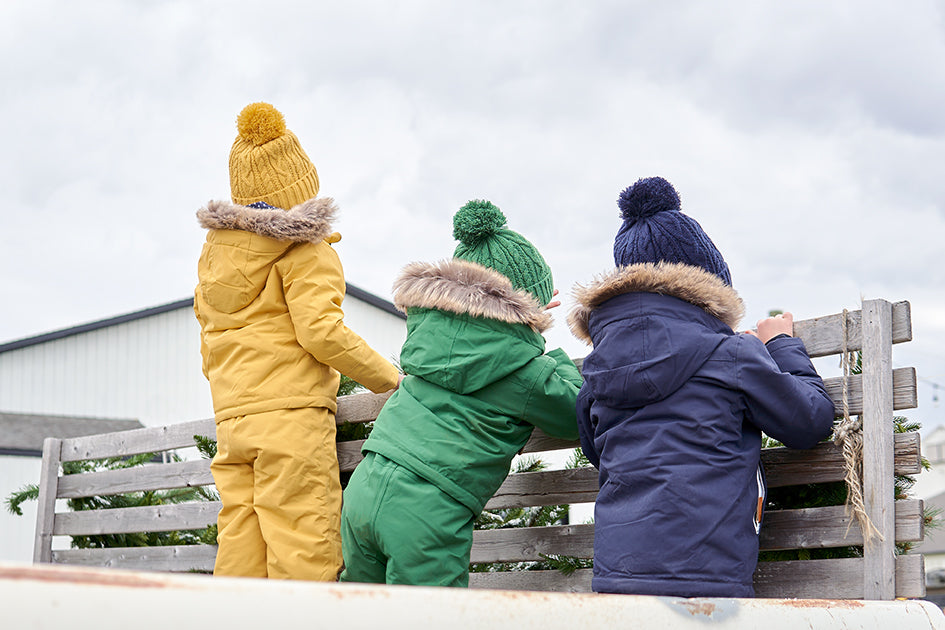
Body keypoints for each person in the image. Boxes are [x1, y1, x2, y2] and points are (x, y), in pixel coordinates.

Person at [567, 176, 835, 598]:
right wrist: (780, 346)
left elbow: (595, 449)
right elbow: (810, 422)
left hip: (616, 578)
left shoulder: (597, 372)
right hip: (707, 579)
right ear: (709, 287)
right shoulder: (729, 355)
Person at [193, 102, 401, 581]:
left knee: (240, 547)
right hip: (290, 419)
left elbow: (209, 350)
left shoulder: (214, 258)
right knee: (303, 547)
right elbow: (321, 331)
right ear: (301, 186)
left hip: (233, 422)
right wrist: (391, 379)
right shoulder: (305, 249)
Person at [339, 199, 582, 587]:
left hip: (363, 490)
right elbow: (575, 416)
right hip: (426, 510)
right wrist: (550, 351)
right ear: (527, 307)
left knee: (359, 613)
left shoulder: (427, 345)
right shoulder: (524, 369)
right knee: (430, 618)